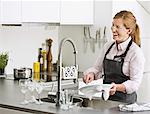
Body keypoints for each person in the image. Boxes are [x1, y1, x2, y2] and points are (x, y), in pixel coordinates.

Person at [83, 10, 145, 104]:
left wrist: (117, 87)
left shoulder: (135, 52)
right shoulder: (108, 47)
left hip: (125, 104)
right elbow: (97, 69)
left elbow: (134, 83)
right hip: (107, 101)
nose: (113, 29)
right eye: (113, 25)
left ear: (129, 30)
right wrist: (91, 74)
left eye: (117, 27)